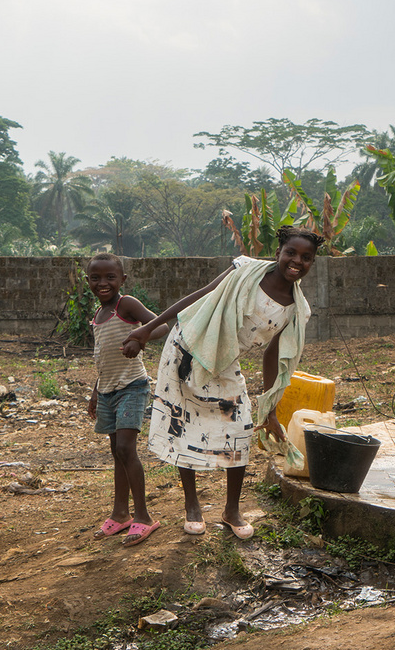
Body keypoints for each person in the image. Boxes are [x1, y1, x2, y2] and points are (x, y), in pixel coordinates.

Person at [121, 227, 321, 537]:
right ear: (278, 252)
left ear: (312, 262)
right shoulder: (244, 270)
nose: (297, 262)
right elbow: (200, 295)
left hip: (225, 362)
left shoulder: (297, 310)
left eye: (306, 258)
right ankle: (192, 506)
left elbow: (273, 355)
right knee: (183, 424)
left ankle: (232, 510)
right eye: (291, 253)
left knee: (240, 429)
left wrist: (270, 409)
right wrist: (148, 329)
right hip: (188, 349)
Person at [85, 254, 160, 545]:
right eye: (96, 278)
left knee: (127, 449)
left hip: (132, 386)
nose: (103, 283)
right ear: (88, 281)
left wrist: (138, 339)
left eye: (110, 277)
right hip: (108, 390)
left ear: (123, 280)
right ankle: (120, 514)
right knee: (117, 451)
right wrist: (95, 391)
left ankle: (143, 516)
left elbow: (160, 325)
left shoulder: (124, 305)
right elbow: (103, 358)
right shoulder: (98, 315)